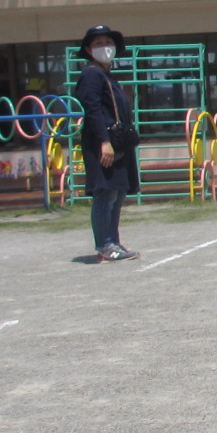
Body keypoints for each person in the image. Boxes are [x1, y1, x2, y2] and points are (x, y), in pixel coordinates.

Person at [74, 25, 140, 262]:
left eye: (108, 42)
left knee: (118, 192)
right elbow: (92, 110)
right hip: (103, 143)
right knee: (106, 194)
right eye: (98, 44)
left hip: (118, 143)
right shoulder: (91, 74)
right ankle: (104, 244)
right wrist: (104, 142)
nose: (105, 48)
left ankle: (113, 241)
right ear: (88, 50)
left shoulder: (106, 75)